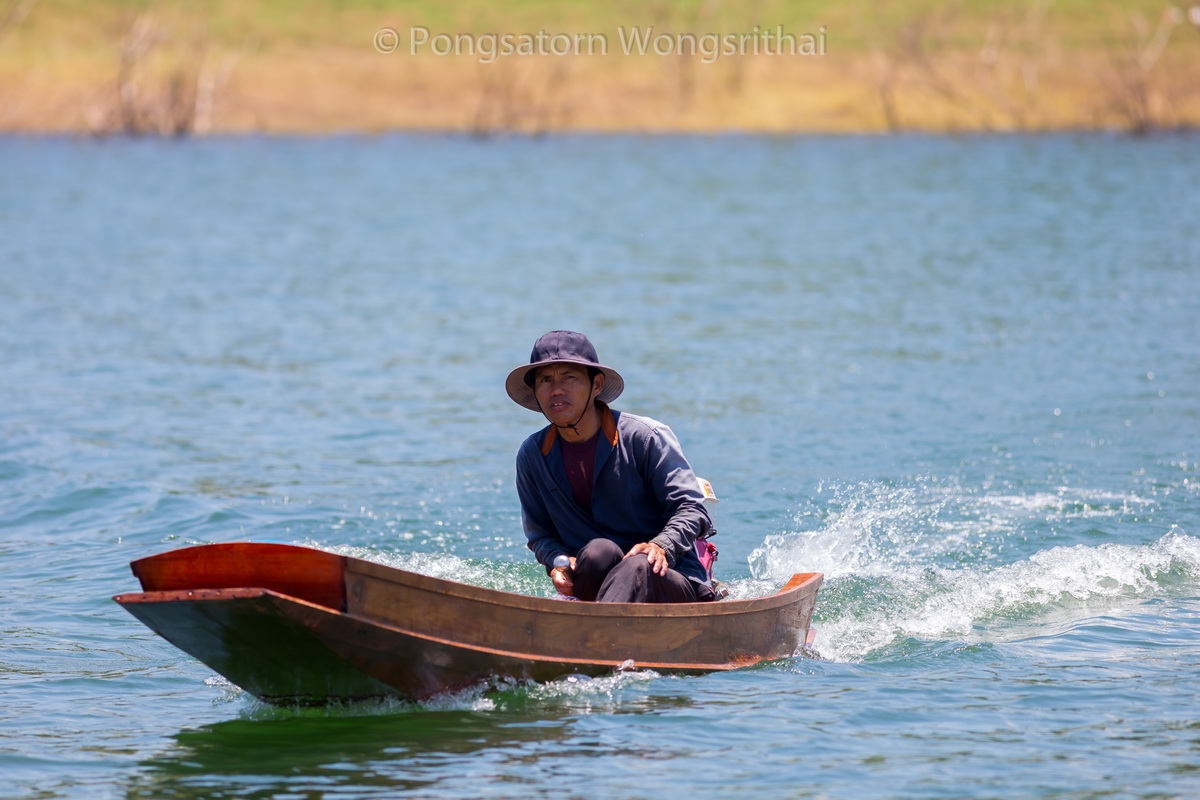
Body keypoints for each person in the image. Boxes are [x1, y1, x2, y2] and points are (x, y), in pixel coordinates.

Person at [507, 330, 715, 603]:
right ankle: (596, 630)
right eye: (545, 380)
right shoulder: (532, 455)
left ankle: (590, 638)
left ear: (596, 385)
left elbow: (692, 509)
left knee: (638, 563)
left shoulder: (646, 437)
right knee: (597, 553)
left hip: (667, 579)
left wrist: (660, 546)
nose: (556, 389)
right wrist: (558, 561)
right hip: (595, 578)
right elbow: (541, 535)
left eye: (569, 377)